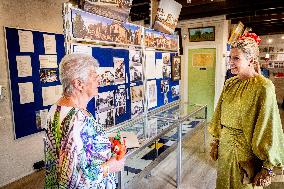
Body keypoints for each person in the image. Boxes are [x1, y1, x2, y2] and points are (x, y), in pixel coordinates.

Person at [209, 33, 284, 189]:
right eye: (230, 58)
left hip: (245, 154)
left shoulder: (263, 87)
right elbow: (219, 114)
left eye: (236, 58)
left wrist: (268, 166)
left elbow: (268, 126)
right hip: (225, 149)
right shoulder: (230, 83)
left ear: (251, 60)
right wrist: (216, 141)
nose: (230, 62)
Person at [44, 53, 126, 188]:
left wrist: (104, 142)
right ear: (78, 84)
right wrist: (110, 167)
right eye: (94, 77)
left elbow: (80, 148)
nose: (99, 81)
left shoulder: (57, 109)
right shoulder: (76, 120)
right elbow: (72, 178)